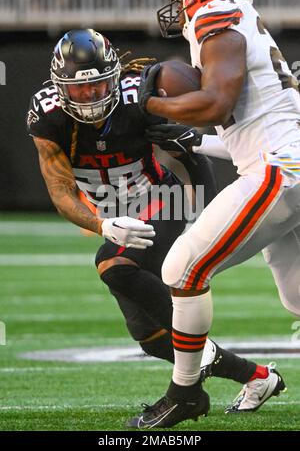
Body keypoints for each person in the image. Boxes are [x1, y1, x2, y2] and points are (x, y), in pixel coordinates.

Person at [27, 28, 285, 426]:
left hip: (160, 198)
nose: (91, 98)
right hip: (112, 213)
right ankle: (257, 377)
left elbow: (195, 150)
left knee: (113, 266)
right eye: (79, 91)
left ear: (113, 77)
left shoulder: (139, 98)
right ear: (59, 88)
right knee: (151, 337)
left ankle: (188, 393)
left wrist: (205, 207)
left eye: (97, 87)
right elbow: (60, 190)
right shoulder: (47, 114)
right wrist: (102, 223)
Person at [131, 0, 300, 428]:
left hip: (279, 170)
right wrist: (197, 139)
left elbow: (215, 103)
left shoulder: (217, 16)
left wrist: (144, 105)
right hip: (287, 161)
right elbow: (250, 122)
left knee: (182, 269)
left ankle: (184, 392)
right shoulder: (243, 19)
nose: (178, 1)